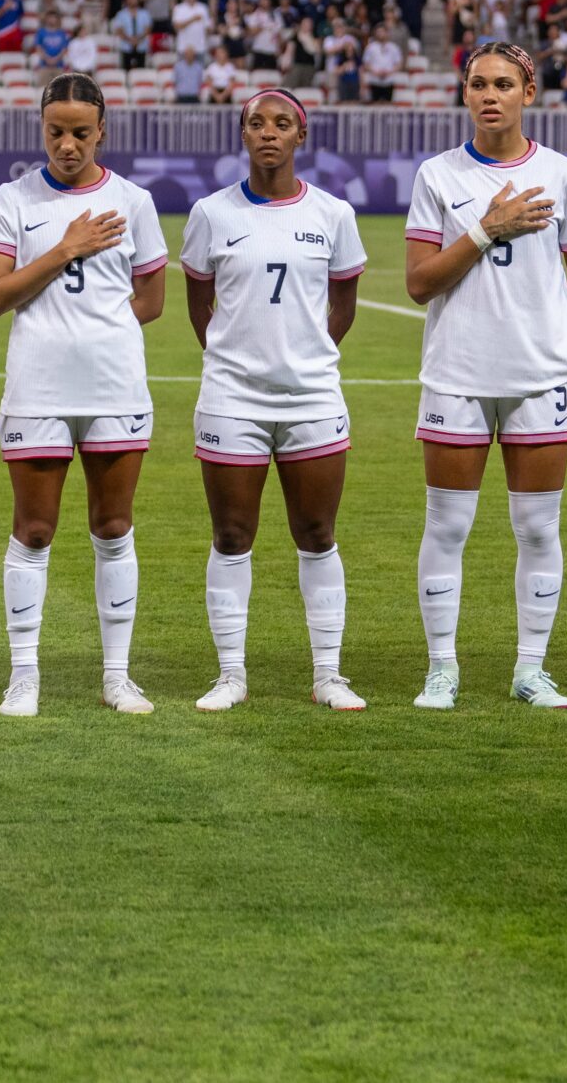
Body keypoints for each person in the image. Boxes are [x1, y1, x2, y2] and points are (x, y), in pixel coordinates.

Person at [402, 41, 567, 711]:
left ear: (528, 91)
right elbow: (418, 283)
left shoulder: (563, 174)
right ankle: (441, 669)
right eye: (478, 84)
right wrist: (487, 231)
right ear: (464, 94)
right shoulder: (438, 174)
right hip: (456, 374)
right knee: (448, 527)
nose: (490, 95)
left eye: (503, 84)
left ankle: (531, 669)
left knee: (539, 529)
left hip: (537, 376)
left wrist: (539, 326)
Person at [0, 74, 167, 716]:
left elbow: (150, 301)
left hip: (115, 385)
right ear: (42, 128)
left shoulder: (133, 201)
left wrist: (95, 331)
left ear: (101, 131)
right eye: (55, 131)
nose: (67, 144)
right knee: (33, 530)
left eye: (80, 133)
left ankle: (117, 676)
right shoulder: (13, 199)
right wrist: (65, 249)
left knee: (113, 527)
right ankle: (23, 675)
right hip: (37, 388)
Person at [183, 90, 367, 711]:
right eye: (256, 123)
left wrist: (304, 356)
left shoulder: (334, 215)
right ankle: (231, 675)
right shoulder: (211, 213)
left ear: (301, 135)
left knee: (317, 532)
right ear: (242, 135)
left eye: (281, 123)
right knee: (232, 534)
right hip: (231, 398)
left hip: (313, 397)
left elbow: (342, 307)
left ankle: (328, 675)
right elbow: (199, 307)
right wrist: (240, 360)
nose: (269, 133)